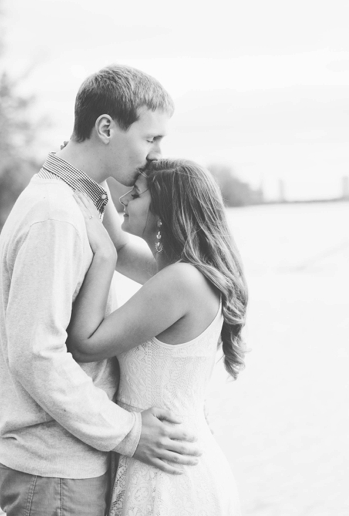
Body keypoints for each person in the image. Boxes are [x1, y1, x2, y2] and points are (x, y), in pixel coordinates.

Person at [0, 66, 201, 516]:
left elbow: (121, 248)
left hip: (68, 462)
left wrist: (200, 281)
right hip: (54, 470)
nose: (156, 156)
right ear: (106, 127)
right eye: (150, 139)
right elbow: (34, 355)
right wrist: (130, 432)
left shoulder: (79, 193)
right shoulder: (56, 216)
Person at [67, 158, 248, 515]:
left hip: (169, 472)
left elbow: (84, 343)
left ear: (164, 208)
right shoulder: (184, 274)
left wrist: (100, 257)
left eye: (135, 194)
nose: (123, 201)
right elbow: (119, 246)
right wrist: (84, 168)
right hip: (166, 451)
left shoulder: (181, 282)